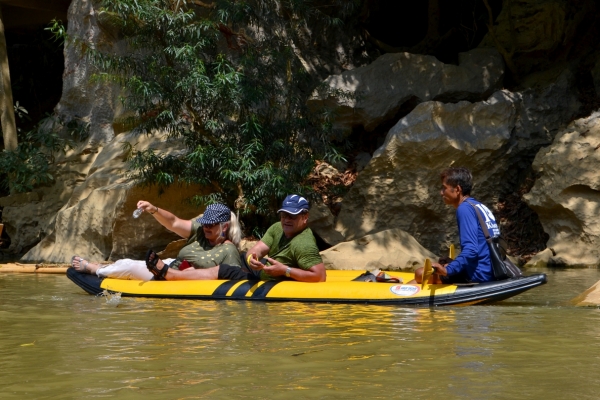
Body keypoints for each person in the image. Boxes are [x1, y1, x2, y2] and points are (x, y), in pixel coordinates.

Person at [146, 194, 327, 282]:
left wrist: (285, 270)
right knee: (240, 258)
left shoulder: (303, 243)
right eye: (284, 215)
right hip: (259, 271)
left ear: (305, 217)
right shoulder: (278, 227)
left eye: (292, 216)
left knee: (224, 269)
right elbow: (258, 249)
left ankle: (170, 274)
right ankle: (181, 273)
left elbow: (320, 276)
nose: (287, 220)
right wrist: (252, 258)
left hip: (270, 278)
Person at [71, 202, 243, 280]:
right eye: (204, 222)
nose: (206, 226)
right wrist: (154, 210)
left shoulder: (228, 251)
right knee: (126, 262)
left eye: (211, 224)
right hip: (171, 264)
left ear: (225, 227)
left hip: (179, 277)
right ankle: (101, 269)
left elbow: (232, 276)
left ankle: (95, 269)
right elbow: (174, 222)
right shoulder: (199, 230)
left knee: (129, 267)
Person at [413, 167, 499, 284]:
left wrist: (448, 269)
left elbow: (471, 250)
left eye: (444, 188)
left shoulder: (464, 209)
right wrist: (452, 263)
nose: (441, 192)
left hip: (479, 274)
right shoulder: (478, 206)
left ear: (457, 189)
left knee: (419, 274)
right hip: (490, 271)